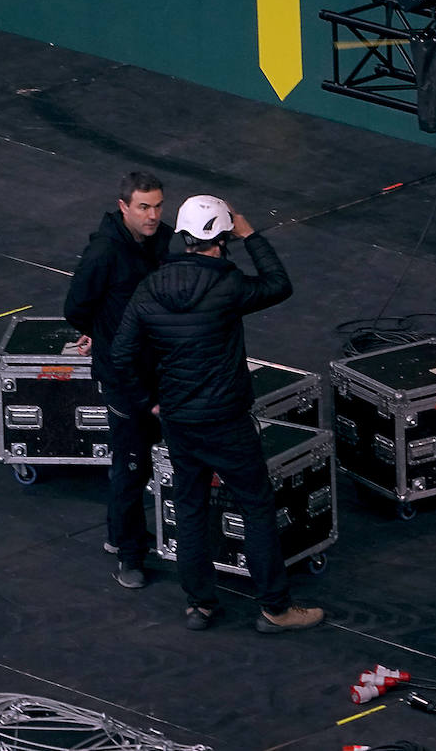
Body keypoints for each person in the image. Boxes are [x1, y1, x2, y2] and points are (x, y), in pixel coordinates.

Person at [109, 195, 324, 634]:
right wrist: (252, 237)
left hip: (179, 419)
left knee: (190, 508)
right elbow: (279, 284)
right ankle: (275, 609)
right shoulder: (229, 285)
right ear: (222, 238)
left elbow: (121, 354)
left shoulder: (151, 287)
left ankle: (200, 605)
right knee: (256, 506)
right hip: (226, 420)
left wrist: (147, 401)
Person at [64, 171, 174, 589]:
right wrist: (104, 331)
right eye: (143, 207)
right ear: (123, 206)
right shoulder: (103, 254)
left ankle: (118, 535)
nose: (152, 215)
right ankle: (130, 556)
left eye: (158, 205)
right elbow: (75, 307)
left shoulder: (162, 239)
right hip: (122, 375)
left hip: (158, 366)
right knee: (131, 463)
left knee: (139, 459)